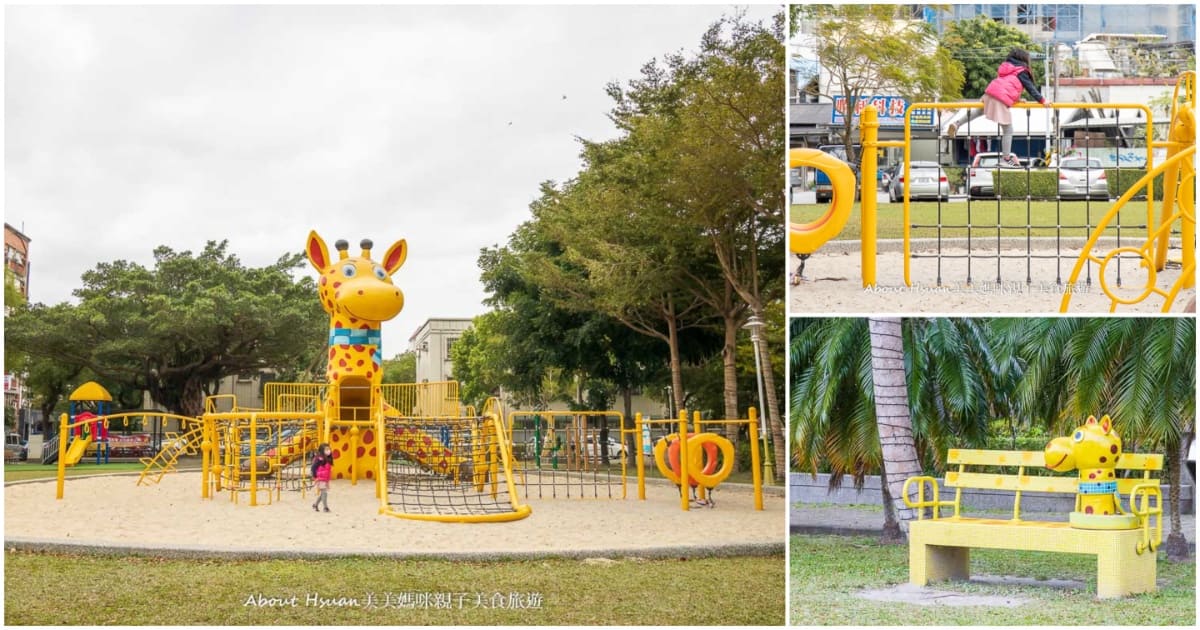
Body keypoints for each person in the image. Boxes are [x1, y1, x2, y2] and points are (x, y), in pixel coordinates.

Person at [982, 48, 1051, 168]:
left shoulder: (1006, 68)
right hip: (999, 97)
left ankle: (957, 123)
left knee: (979, 110)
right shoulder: (1022, 70)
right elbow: (1030, 88)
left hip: (990, 91)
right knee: (1008, 130)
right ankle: (1006, 159)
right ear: (1023, 59)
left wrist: (1017, 100)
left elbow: (1009, 85)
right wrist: (1042, 100)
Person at [310, 443, 333, 513]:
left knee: (323, 493)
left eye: (329, 449)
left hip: (325, 479)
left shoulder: (328, 459)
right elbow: (313, 468)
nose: (328, 451)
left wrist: (328, 480)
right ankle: (325, 507)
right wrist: (315, 477)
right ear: (322, 450)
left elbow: (328, 471)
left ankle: (315, 505)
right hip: (320, 478)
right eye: (326, 449)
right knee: (324, 492)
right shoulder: (319, 459)